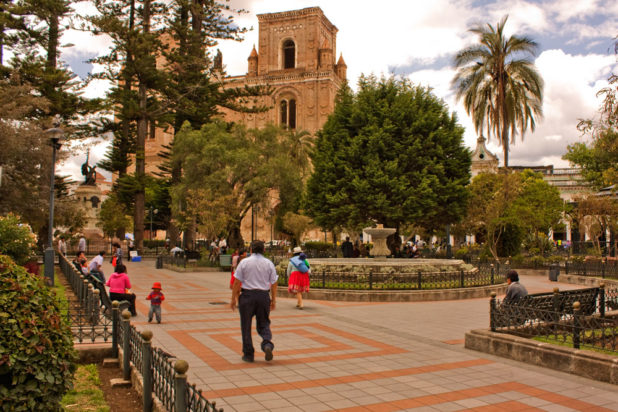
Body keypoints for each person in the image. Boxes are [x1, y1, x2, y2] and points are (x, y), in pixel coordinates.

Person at [230, 240, 278, 363]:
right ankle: (267, 344)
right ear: (264, 250)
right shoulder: (269, 263)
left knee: (245, 325)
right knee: (264, 322)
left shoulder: (244, 262)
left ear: (251, 250)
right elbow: (274, 283)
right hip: (263, 296)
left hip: (247, 296)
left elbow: (237, 282)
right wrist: (273, 300)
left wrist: (233, 299)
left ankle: (248, 354)